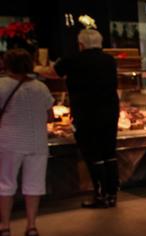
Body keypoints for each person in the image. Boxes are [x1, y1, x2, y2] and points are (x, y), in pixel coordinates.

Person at [36, 29, 120, 208]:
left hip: (86, 113)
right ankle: (111, 194)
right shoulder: (109, 60)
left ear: (81, 44)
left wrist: (34, 68)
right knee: (109, 153)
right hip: (110, 112)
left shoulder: (73, 59)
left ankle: (100, 196)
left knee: (93, 154)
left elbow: (52, 73)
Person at [0, 49, 54, 236]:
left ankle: (5, 227)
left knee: (5, 184)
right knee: (34, 184)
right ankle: (31, 226)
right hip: (37, 142)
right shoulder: (41, 87)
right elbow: (50, 116)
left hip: (9, 142)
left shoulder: (2, 85)